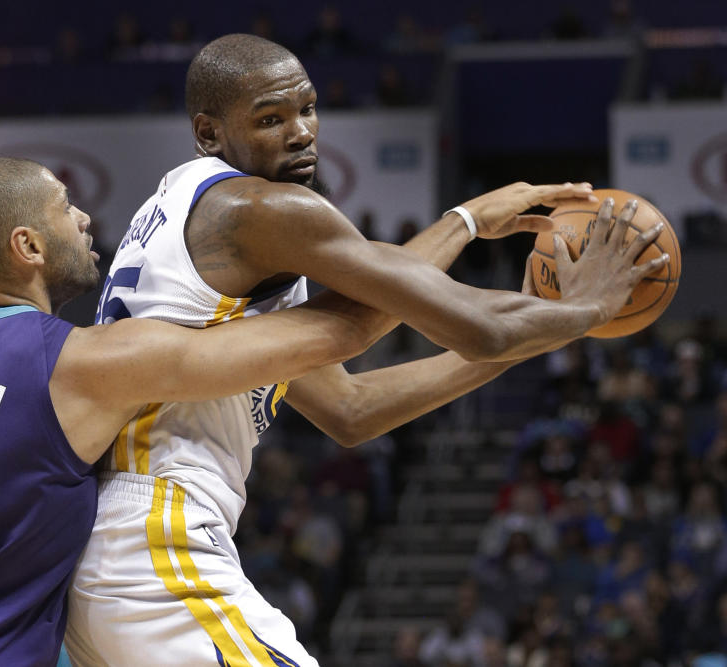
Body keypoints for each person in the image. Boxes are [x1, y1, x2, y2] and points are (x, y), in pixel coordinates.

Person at [65, 33, 668, 666]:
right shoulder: (257, 208)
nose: (301, 132)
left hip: (112, 555)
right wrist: (589, 308)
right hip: (155, 540)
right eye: (271, 119)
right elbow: (461, 322)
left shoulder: (186, 210)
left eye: (308, 108)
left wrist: (471, 233)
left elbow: (349, 408)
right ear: (210, 133)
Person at [0, 157, 415, 666]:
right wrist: (461, 225)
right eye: (66, 208)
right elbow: (338, 335)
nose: (85, 216)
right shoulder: (80, 366)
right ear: (29, 246)